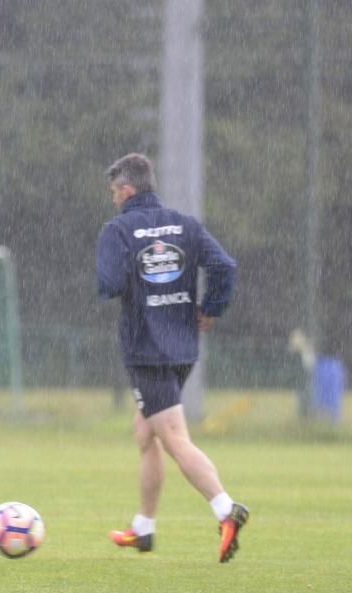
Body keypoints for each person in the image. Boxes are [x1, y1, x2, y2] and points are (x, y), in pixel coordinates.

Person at [96, 153, 249, 563]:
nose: (113, 199)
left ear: (126, 190)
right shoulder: (185, 224)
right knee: (146, 433)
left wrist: (130, 272)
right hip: (182, 347)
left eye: (114, 192)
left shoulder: (119, 229)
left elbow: (108, 285)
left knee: (174, 439)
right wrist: (209, 307)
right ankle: (143, 529)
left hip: (146, 350)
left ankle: (225, 509)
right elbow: (224, 266)